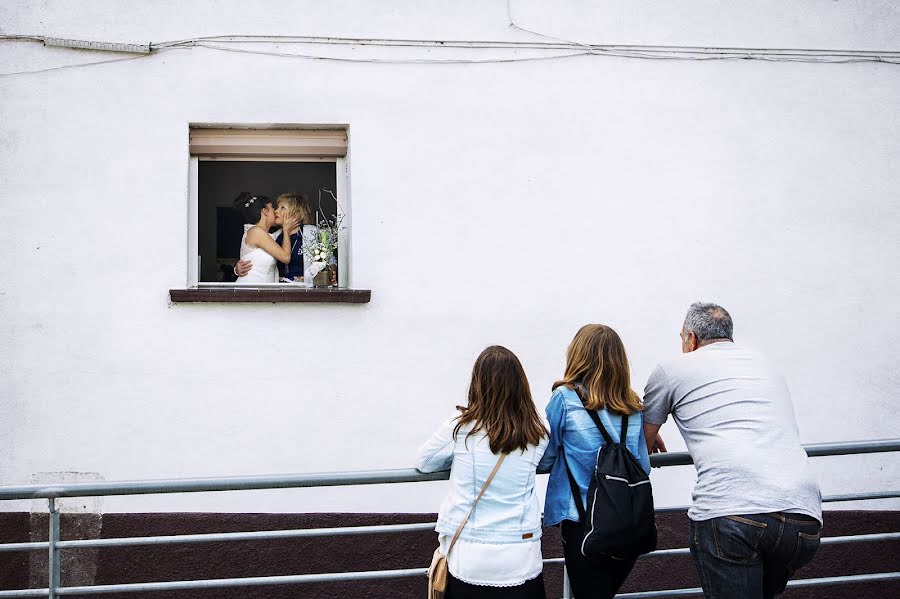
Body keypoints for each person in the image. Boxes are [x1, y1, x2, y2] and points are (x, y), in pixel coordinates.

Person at [642, 302, 822, 599]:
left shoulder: (671, 369)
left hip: (732, 513)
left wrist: (653, 432)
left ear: (691, 338)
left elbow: (639, 445)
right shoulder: (767, 366)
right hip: (802, 517)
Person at [416, 346, 549, 598]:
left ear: (478, 383)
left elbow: (425, 461)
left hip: (470, 555)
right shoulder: (539, 430)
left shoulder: (461, 428)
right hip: (521, 553)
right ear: (521, 383)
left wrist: (458, 460)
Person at [537, 324, 650, 599]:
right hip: (628, 524)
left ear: (578, 355)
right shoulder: (632, 405)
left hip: (584, 524)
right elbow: (643, 465)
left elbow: (546, 457)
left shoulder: (564, 398)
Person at [231, 192, 297, 285]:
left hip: (262, 289)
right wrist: (286, 230)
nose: (276, 211)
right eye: (272, 208)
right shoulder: (256, 231)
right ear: (265, 211)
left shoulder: (268, 234)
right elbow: (286, 257)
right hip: (250, 288)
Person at [272, 193, 315, 282]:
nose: (276, 211)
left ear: (296, 213)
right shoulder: (274, 237)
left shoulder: (311, 233)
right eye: (277, 207)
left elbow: (329, 260)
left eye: (282, 207)